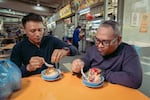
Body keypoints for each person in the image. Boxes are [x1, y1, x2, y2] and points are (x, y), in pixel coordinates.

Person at [71, 20, 142, 89]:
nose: (99, 46)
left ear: (118, 40)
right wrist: (80, 63)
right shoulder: (93, 48)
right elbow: (87, 59)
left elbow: (134, 80)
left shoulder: (128, 51)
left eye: (105, 42)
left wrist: (104, 73)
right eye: (97, 40)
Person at [10, 13, 78, 77]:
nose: (37, 34)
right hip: (32, 81)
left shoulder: (51, 40)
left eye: (40, 30)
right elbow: (12, 73)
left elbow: (74, 49)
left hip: (52, 77)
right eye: (33, 31)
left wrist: (66, 50)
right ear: (25, 30)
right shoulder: (18, 47)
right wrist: (28, 67)